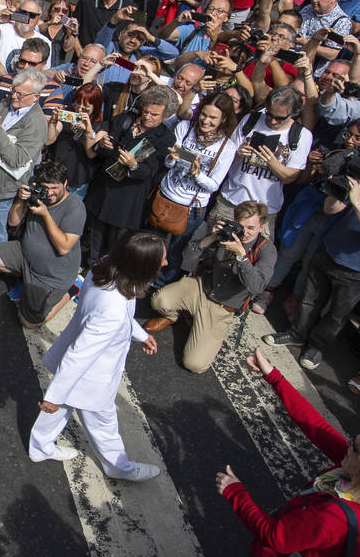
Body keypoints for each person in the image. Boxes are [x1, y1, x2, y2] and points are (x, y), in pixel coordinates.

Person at [217, 346, 360, 557]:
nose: (347, 442)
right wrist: (273, 375)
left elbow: (275, 537)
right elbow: (314, 425)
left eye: (355, 446)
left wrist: (235, 492)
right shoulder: (351, 469)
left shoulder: (332, 517)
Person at [29, 231, 163, 481]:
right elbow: (80, 355)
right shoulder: (112, 308)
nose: (165, 263)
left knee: (60, 409)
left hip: (78, 371)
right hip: (92, 377)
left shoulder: (106, 267)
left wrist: (140, 334)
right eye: (160, 260)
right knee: (103, 425)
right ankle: (119, 467)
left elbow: (118, 317)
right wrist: (54, 395)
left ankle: (39, 446)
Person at [146, 200, 277, 374]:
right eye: (241, 226)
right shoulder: (227, 234)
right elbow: (188, 256)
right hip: (202, 287)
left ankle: (198, 326)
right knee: (159, 300)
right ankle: (173, 316)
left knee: (195, 364)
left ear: (261, 227)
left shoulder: (266, 251)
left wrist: (242, 257)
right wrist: (211, 238)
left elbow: (256, 287)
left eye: (251, 228)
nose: (244, 233)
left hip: (223, 307)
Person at [262, 177, 360, 370]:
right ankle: (297, 334)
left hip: (356, 271)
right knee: (309, 298)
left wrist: (357, 203)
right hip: (329, 250)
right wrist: (337, 189)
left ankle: (316, 346)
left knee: (337, 315)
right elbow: (329, 210)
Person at [153, 92, 239, 287]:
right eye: (204, 114)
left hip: (192, 207)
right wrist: (171, 158)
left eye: (212, 118)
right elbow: (166, 164)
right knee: (152, 244)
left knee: (175, 252)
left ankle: (160, 286)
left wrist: (197, 174)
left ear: (223, 119)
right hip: (166, 195)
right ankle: (143, 276)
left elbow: (214, 185)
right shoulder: (185, 128)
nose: (205, 121)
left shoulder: (227, 147)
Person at [0, 160, 86, 327]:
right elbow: (13, 222)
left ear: (65, 184)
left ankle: (72, 289)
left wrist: (46, 215)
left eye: (55, 188)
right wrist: (21, 201)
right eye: (46, 188)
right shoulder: (38, 193)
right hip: (26, 256)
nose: (50, 194)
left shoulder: (75, 207)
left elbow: (64, 247)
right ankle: (26, 280)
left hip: (52, 275)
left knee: (29, 322)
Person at [85, 86, 177, 264]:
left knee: (115, 245)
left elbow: (152, 170)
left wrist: (134, 166)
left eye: (154, 114)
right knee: (93, 238)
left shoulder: (165, 138)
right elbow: (103, 153)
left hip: (127, 199)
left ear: (164, 116)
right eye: (146, 111)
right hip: (103, 191)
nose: (147, 117)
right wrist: (104, 145)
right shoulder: (125, 120)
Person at [0, 68, 47, 286]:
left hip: (4, 183)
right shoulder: (6, 104)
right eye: (13, 91)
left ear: (35, 97)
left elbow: (17, 159)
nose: (13, 96)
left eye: (20, 94)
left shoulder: (37, 124)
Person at [212, 86, 312, 236]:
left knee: (248, 257)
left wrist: (272, 162)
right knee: (211, 245)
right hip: (230, 201)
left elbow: (290, 177)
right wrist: (238, 154)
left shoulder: (301, 135)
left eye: (279, 118)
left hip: (264, 211)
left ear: (293, 114)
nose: (272, 121)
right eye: (269, 114)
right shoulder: (250, 120)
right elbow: (223, 159)